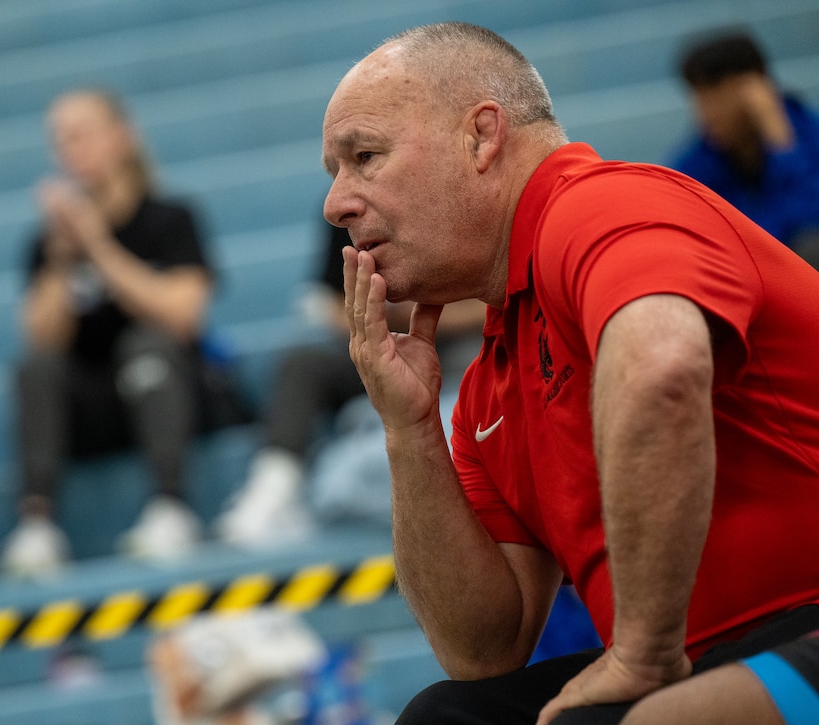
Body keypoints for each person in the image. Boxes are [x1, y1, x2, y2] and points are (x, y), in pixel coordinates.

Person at [321, 21, 819, 725]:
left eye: (364, 156)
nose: (335, 203)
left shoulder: (599, 206)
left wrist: (642, 654)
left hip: (793, 623)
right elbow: (482, 650)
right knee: (446, 716)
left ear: (482, 136)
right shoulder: (493, 373)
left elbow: (663, 368)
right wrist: (409, 429)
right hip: (715, 652)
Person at [0, 89, 223, 571]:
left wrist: (98, 247)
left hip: (168, 393)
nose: (70, 148)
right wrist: (61, 260)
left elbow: (184, 317)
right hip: (92, 411)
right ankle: (36, 525)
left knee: (147, 345)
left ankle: (170, 507)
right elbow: (40, 339)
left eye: (82, 134)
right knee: (34, 370)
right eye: (61, 140)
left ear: (124, 137)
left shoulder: (170, 218)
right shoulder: (47, 243)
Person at [214, 220, 484, 548]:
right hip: (381, 338)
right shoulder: (348, 209)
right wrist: (375, 318)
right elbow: (329, 304)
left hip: (458, 344)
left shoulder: (459, 201)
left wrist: (419, 314)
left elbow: (497, 300)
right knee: (303, 362)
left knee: (483, 359)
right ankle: (276, 484)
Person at [668, 30, 819, 259]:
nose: (706, 113)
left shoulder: (809, 135)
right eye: (699, 98)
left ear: (756, 90)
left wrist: (781, 144)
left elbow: (807, 219)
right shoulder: (698, 161)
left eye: (716, 96)